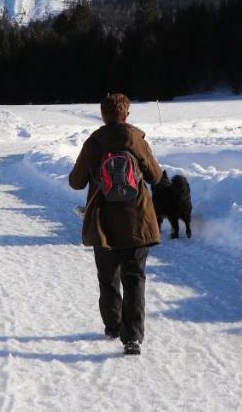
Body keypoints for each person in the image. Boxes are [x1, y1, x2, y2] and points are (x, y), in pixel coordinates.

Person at [68, 92, 164, 356]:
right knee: (134, 279)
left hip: (103, 224)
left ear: (103, 115)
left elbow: (76, 182)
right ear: (126, 115)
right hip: (137, 222)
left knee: (108, 277)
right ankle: (132, 338)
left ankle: (113, 326)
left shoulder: (94, 143)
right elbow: (155, 177)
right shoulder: (136, 139)